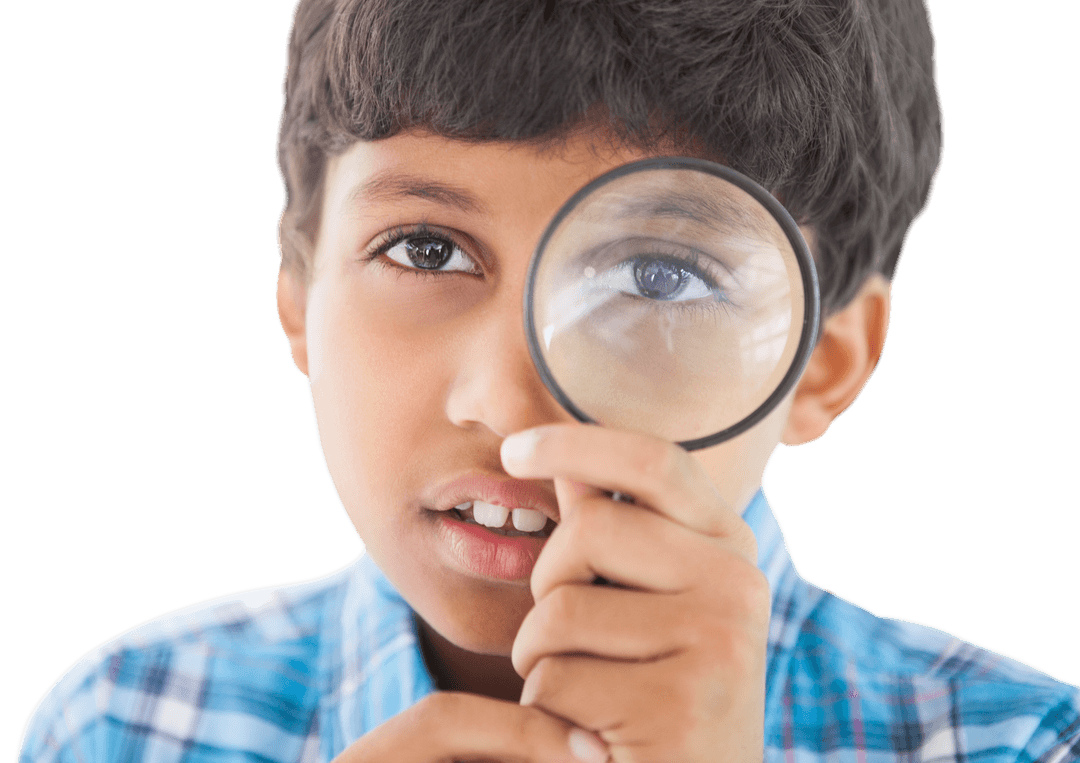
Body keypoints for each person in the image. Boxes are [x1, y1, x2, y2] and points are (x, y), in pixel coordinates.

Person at [16, 0, 1079, 761]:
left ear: (824, 360)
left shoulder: (1020, 743)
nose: (508, 402)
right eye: (426, 249)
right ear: (297, 296)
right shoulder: (124, 725)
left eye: (659, 276)